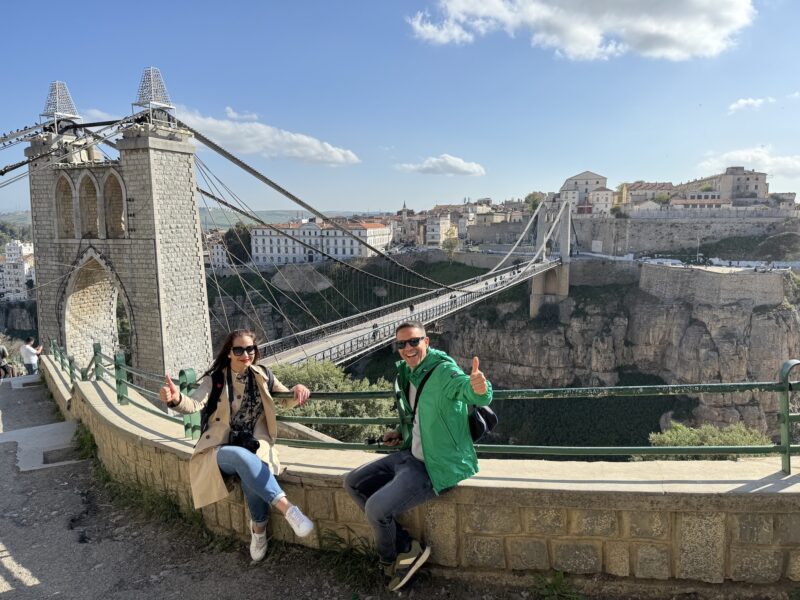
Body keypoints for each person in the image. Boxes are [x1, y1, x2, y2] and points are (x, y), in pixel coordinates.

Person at [343, 320, 492, 592]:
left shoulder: (444, 371)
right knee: (351, 481)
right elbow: (419, 415)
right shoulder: (408, 373)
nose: (408, 348)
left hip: (434, 468)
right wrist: (401, 432)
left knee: (376, 508)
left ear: (427, 341)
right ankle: (405, 546)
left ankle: (390, 561)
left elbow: (469, 391)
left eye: (414, 341)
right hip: (411, 454)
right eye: (401, 344)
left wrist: (480, 388)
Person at [160, 329, 315, 562]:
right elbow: (194, 403)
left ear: (255, 351)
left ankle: (259, 531)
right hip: (220, 450)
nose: (245, 354)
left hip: (255, 445)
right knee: (242, 458)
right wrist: (175, 399)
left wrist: (299, 390)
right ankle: (289, 510)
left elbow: (285, 399)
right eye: (239, 349)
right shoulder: (216, 379)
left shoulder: (263, 375)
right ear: (229, 353)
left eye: (250, 349)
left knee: (252, 468)